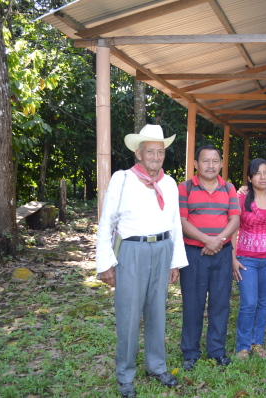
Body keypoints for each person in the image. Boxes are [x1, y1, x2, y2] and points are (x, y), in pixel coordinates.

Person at [96, 124, 188, 398]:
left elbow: (175, 224)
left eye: (160, 152)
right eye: (150, 152)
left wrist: (175, 261)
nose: (156, 157)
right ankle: (125, 375)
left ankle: (156, 366)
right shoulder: (122, 179)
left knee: (158, 312)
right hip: (131, 252)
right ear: (139, 153)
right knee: (129, 314)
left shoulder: (169, 183)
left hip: (162, 248)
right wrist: (105, 263)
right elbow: (107, 221)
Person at [178, 145, 240, 371]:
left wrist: (218, 241)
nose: (211, 165)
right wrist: (206, 240)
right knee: (192, 304)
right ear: (196, 164)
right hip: (194, 254)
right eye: (206, 161)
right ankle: (190, 352)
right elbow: (182, 222)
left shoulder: (229, 188)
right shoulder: (184, 188)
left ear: (221, 164)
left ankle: (216, 350)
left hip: (221, 254)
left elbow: (234, 219)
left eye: (215, 161)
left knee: (220, 304)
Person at [232, 158, 266, 360]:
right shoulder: (240, 198)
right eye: (258, 173)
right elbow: (233, 228)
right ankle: (243, 345)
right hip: (246, 259)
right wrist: (233, 258)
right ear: (249, 177)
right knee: (248, 302)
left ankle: (257, 342)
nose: (263, 177)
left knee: (263, 302)